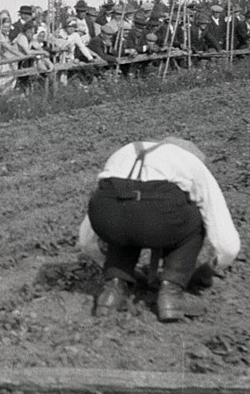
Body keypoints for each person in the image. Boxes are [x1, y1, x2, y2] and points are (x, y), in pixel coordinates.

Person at [76, 137, 240, 322]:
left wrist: (102, 259)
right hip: (158, 218)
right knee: (195, 218)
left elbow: (87, 238)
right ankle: (171, 295)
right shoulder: (191, 163)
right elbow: (228, 246)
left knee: (123, 213)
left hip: (107, 215)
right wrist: (210, 268)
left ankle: (113, 290)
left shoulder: (124, 153)